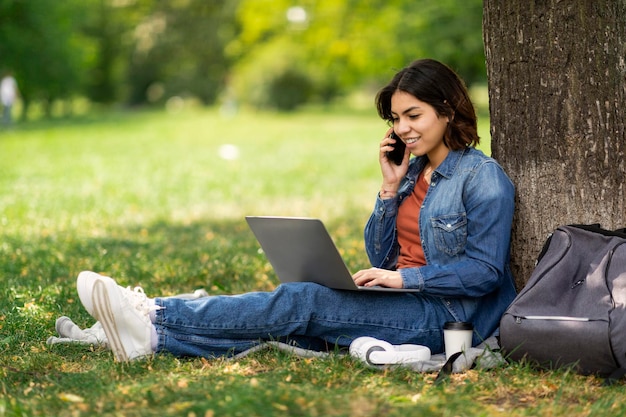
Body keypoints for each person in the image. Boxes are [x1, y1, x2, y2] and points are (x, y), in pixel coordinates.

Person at [75, 58, 517, 362]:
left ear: (446, 109)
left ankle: (150, 312)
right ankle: (149, 338)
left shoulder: (482, 178)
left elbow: (484, 271)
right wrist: (388, 189)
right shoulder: (411, 172)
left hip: (445, 317)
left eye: (413, 116)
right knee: (291, 327)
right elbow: (380, 256)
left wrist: (404, 279)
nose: (402, 128)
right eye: (395, 119)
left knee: (300, 299)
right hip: (403, 300)